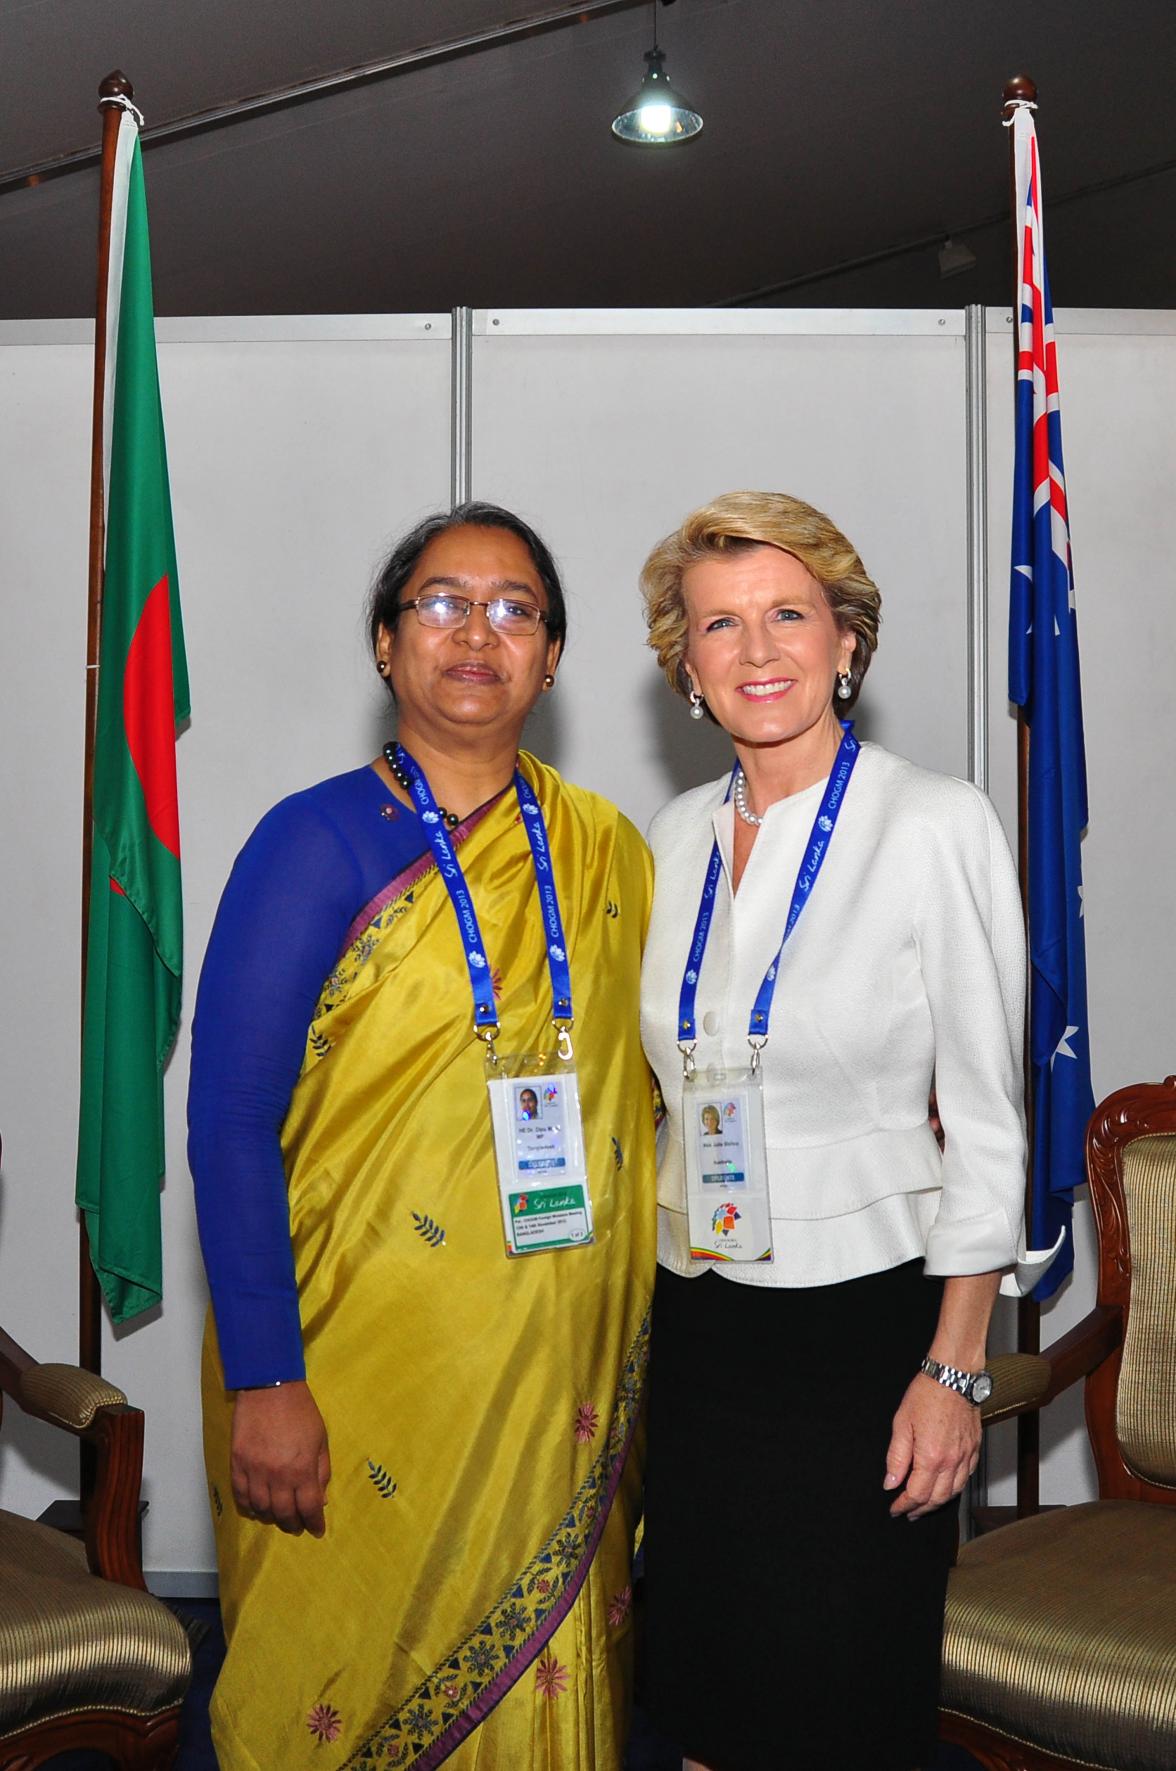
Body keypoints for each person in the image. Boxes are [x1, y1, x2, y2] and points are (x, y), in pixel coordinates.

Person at [190, 503, 656, 1769]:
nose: (477, 633)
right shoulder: (311, 841)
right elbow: (229, 1124)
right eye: (442, 603)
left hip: (559, 1375)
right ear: (386, 645)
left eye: (516, 609)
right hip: (352, 1377)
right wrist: (268, 1380)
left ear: (552, 658)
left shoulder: (610, 848)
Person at [636, 491, 1056, 1771]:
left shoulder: (937, 823)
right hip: (700, 1318)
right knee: (705, 1693)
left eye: (786, 615)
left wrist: (957, 1371)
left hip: (869, 1335)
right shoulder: (670, 838)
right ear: (687, 666)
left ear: (846, 641)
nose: (758, 650)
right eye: (721, 624)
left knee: (838, 1704)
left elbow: (990, 1122)